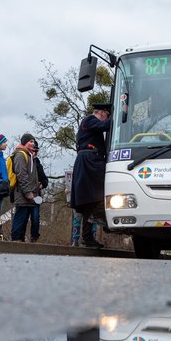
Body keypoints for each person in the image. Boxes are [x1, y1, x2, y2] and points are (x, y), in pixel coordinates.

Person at [71, 102, 112, 248]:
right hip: (90, 161)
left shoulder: (91, 124)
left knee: (90, 202)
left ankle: (89, 237)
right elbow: (106, 125)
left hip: (90, 161)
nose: (107, 118)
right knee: (98, 195)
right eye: (107, 115)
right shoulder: (90, 120)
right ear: (101, 112)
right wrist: (121, 116)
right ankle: (103, 222)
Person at [10, 133, 40, 241]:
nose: (33, 143)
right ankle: (15, 240)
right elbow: (21, 175)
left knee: (24, 219)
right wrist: (27, 192)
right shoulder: (20, 155)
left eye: (33, 141)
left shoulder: (29, 156)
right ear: (24, 142)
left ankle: (20, 240)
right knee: (20, 218)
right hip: (22, 193)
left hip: (30, 194)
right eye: (30, 141)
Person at [26, 139, 49, 242]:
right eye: (33, 150)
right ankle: (20, 237)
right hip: (25, 194)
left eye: (36, 151)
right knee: (23, 217)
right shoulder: (24, 160)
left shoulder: (38, 164)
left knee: (35, 218)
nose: (34, 153)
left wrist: (42, 184)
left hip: (36, 196)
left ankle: (34, 236)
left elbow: (45, 180)